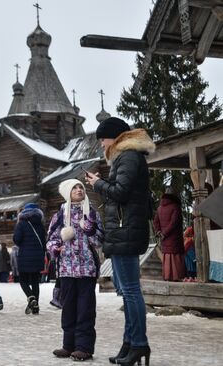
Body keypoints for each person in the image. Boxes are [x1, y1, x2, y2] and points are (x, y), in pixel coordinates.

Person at [85, 117, 155, 366]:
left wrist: (98, 184)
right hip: (124, 230)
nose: (102, 144)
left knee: (131, 292)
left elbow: (120, 192)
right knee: (126, 293)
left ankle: (138, 344)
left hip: (126, 230)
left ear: (114, 136)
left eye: (102, 139)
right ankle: (130, 343)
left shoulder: (128, 156)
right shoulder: (127, 156)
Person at [48, 179, 104, 361]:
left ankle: (84, 348)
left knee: (85, 309)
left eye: (81, 187)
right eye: (75, 188)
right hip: (66, 269)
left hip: (87, 269)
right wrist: (56, 248)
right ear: (67, 192)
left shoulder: (92, 214)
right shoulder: (59, 215)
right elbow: (51, 239)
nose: (79, 190)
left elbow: (99, 241)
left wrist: (89, 230)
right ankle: (68, 345)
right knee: (69, 308)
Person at [13, 203, 46, 315]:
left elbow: (16, 240)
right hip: (38, 256)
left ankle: (31, 298)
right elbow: (44, 242)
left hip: (25, 256)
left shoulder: (21, 224)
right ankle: (35, 307)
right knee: (35, 282)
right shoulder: (40, 225)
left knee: (23, 280)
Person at [154, 187, 186, 281]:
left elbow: (156, 222)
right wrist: (164, 233)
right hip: (174, 237)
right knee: (175, 256)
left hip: (165, 238)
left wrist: (159, 232)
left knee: (167, 256)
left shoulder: (159, 208)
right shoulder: (176, 207)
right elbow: (174, 222)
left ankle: (167, 276)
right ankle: (177, 276)